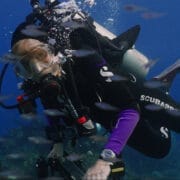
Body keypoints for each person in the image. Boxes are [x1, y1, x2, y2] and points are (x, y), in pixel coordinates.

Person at [9, 0, 141, 179]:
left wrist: (106, 159)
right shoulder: (41, 83)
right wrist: (58, 144)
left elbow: (131, 108)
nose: (38, 69)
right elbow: (51, 108)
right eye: (26, 65)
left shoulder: (84, 57)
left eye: (41, 56)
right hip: (102, 118)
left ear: (53, 50)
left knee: (158, 148)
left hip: (130, 102)